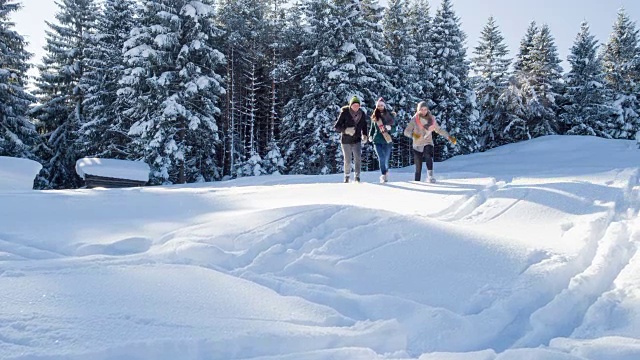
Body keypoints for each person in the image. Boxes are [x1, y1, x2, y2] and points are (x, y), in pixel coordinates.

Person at [403, 101, 457, 183]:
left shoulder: (431, 119)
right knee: (418, 166)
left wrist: (449, 136)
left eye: (425, 109)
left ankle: (430, 176)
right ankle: (417, 182)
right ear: (418, 110)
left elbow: (439, 130)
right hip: (417, 144)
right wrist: (414, 135)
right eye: (422, 109)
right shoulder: (414, 120)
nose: (424, 111)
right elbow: (406, 132)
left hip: (428, 142)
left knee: (428, 155)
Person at [334, 96, 368, 183]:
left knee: (358, 158)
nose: (356, 107)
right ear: (350, 105)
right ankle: (347, 176)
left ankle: (357, 176)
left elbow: (364, 125)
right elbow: (337, 127)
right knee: (347, 159)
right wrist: (346, 130)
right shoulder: (345, 113)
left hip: (357, 139)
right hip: (346, 140)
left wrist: (365, 134)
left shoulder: (362, 114)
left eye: (357, 105)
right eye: (354, 105)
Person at [368, 97, 396, 183]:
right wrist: (370, 136)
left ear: (384, 106)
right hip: (377, 141)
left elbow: (394, 129)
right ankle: (383, 175)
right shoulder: (374, 117)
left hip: (387, 141)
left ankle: (386, 171)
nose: (380, 107)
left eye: (381, 105)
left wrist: (390, 128)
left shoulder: (390, 116)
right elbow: (372, 129)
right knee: (381, 157)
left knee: (386, 159)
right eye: (378, 105)